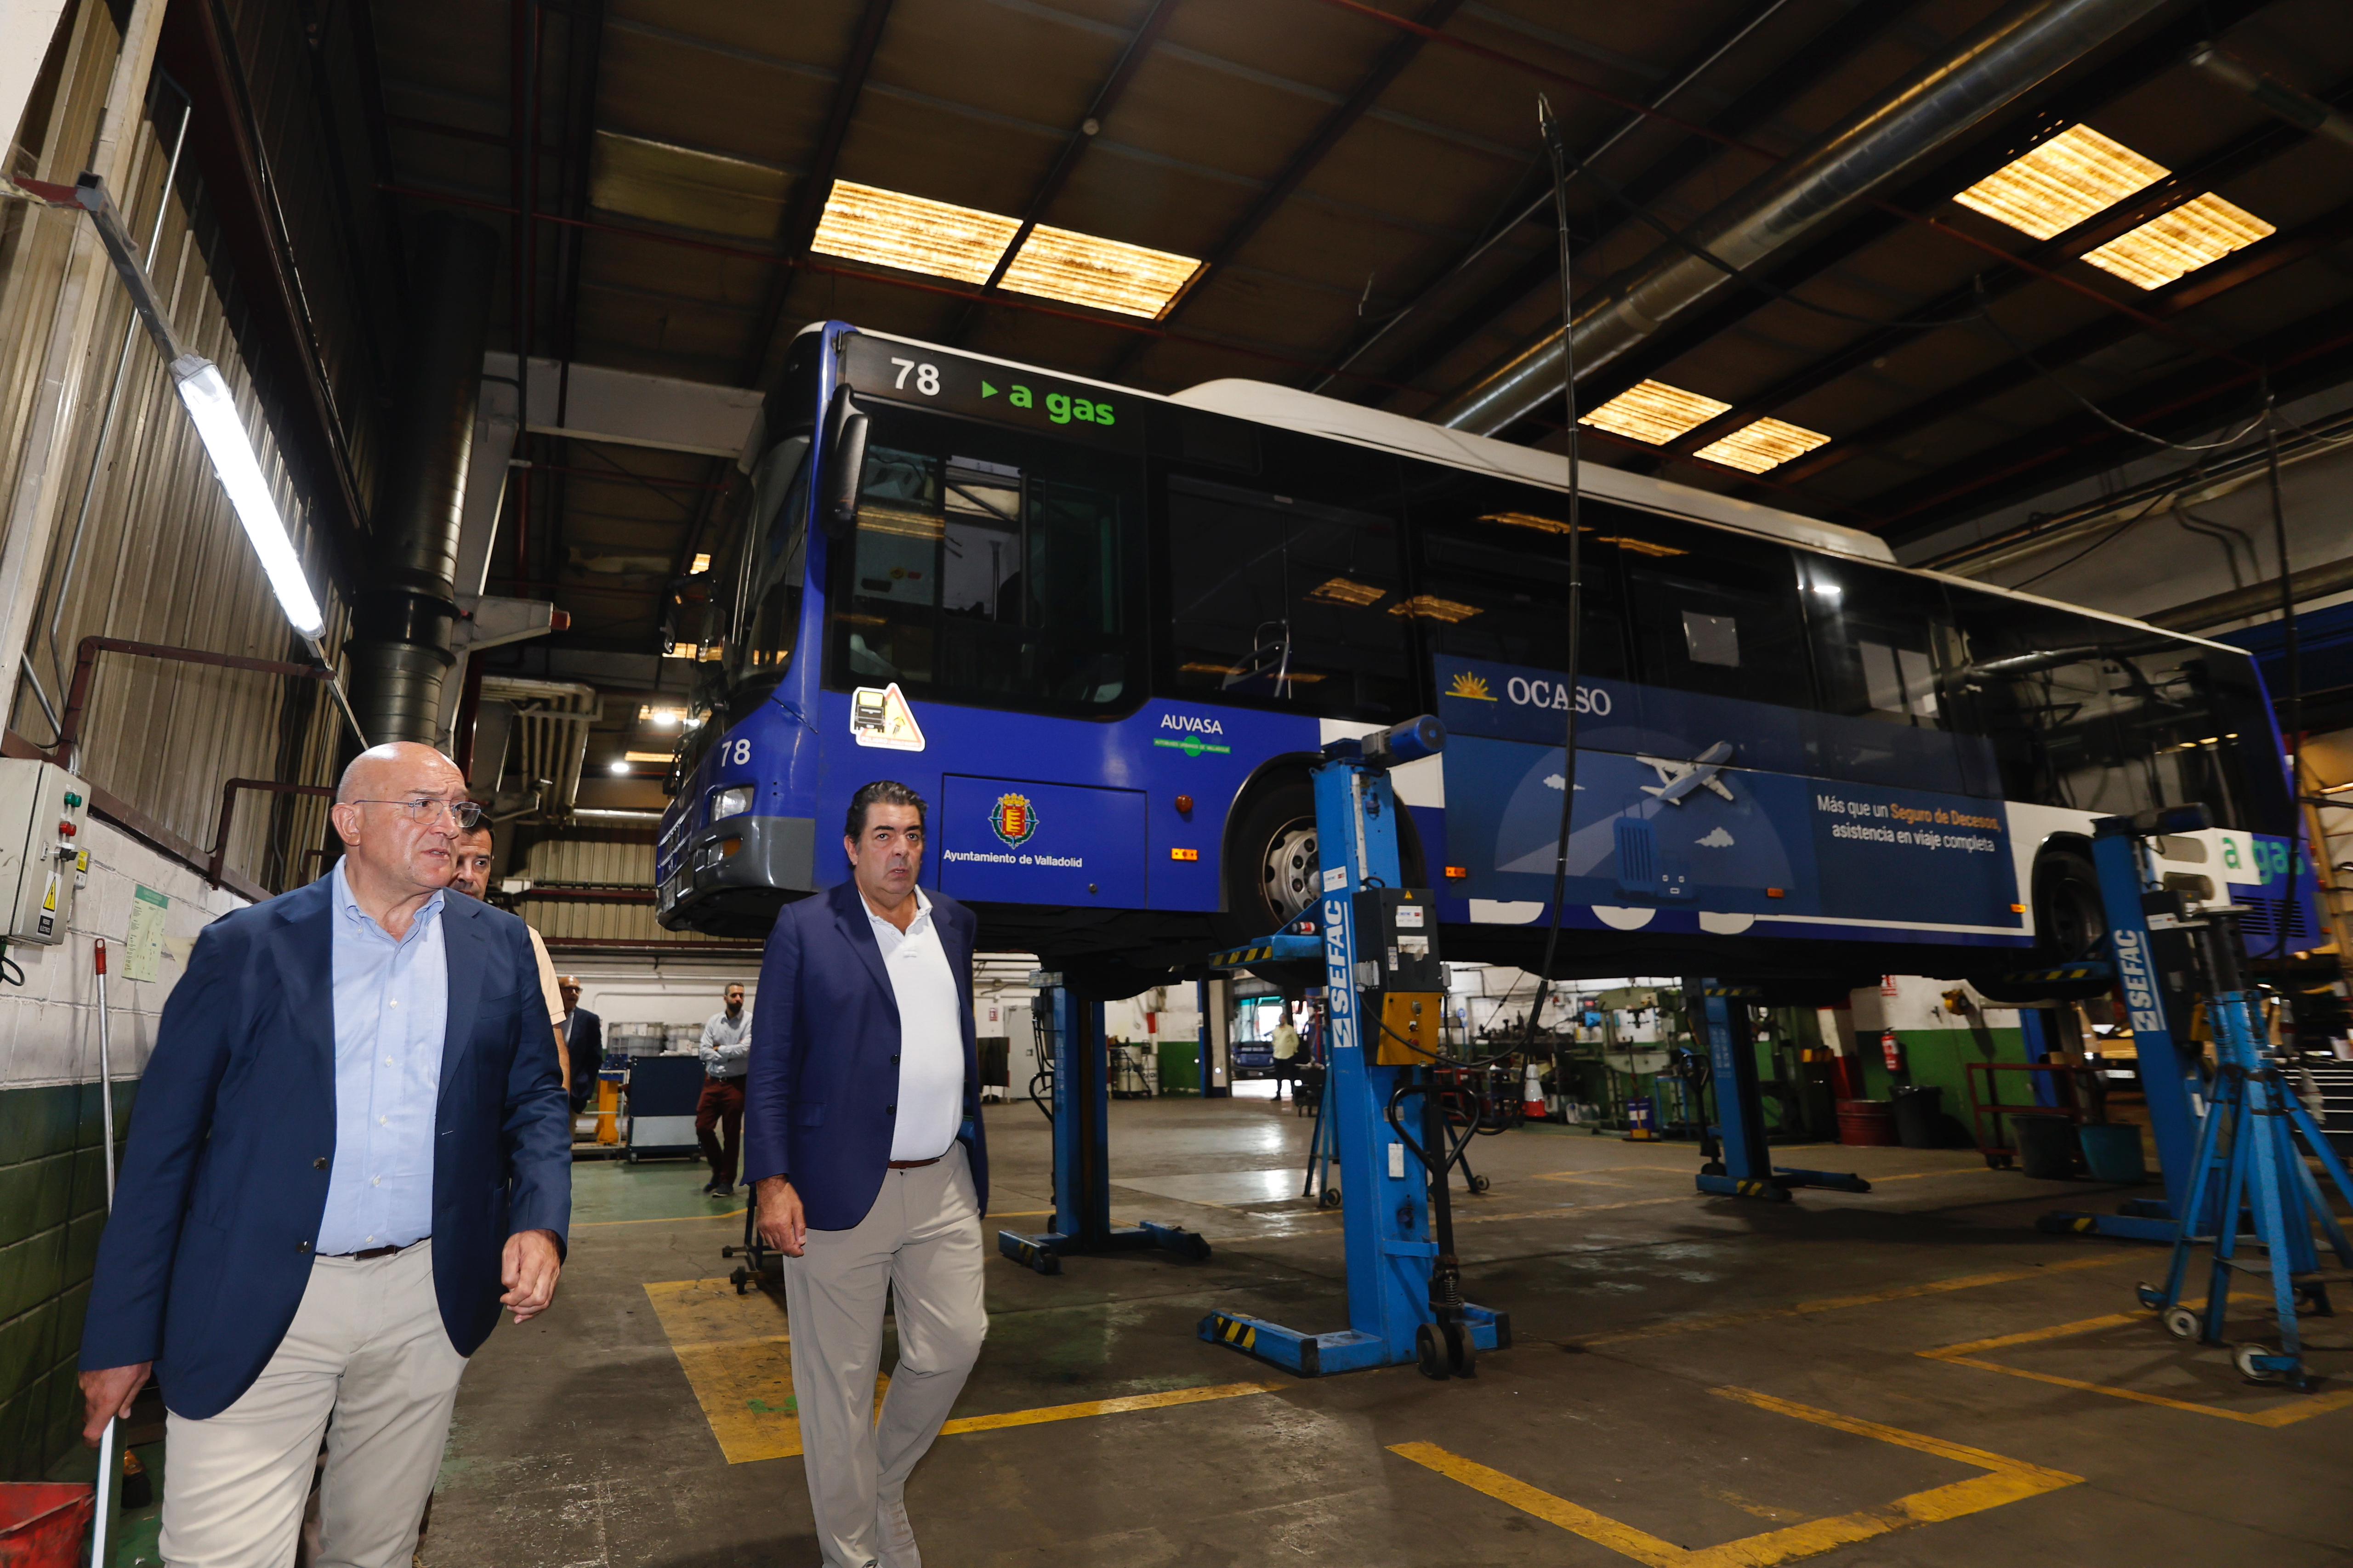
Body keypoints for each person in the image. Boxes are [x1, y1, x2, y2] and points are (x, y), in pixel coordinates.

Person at [77, 743, 570, 1568]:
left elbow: (536, 1100)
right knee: (221, 1555)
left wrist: (541, 1221)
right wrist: (121, 1333)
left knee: (376, 1550)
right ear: (351, 822)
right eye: (422, 805)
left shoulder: (501, 947)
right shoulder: (246, 948)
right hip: (259, 1294)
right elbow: (162, 1150)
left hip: (425, 1297)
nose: (449, 827)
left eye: (459, 809)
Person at [745, 781, 987, 1568]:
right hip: (837, 1186)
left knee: (954, 1344)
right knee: (838, 1390)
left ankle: (879, 1489)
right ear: (852, 848)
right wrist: (772, 1180)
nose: (901, 850)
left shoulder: (953, 923)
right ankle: (853, 1556)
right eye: (883, 835)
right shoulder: (806, 928)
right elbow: (771, 1063)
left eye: (913, 834)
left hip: (943, 1178)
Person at [451, 822, 570, 1097]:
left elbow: (551, 1048)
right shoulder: (405, 937)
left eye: (481, 863)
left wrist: (555, 1120)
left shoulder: (521, 941)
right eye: (457, 860)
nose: (468, 876)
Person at [696, 983, 751, 1196]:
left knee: (731, 1133)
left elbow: (745, 1050)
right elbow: (703, 1052)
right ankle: (718, 1170)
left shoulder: (749, 1021)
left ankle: (727, 1181)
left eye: (742, 995)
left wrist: (719, 1049)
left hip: (736, 1084)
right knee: (703, 1127)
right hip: (712, 1082)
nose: (739, 999)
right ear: (725, 998)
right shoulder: (714, 1021)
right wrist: (728, 1054)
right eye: (734, 995)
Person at [557, 975, 604, 1117]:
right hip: (545, 1091)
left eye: (577, 990)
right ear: (557, 991)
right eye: (568, 989)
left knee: (568, 1130)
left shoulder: (589, 1021)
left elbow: (595, 1059)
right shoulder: (544, 1017)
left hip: (573, 1095)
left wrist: (584, 1091)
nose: (573, 993)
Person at [1270, 1009, 1302, 1102]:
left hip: (1288, 1055)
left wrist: (1293, 1050)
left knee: (1291, 1075)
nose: (1282, 1020)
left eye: (1283, 1018)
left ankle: (1294, 1093)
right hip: (1278, 1055)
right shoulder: (1276, 1030)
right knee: (1278, 1076)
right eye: (1281, 1018)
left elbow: (1296, 1041)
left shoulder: (1290, 1029)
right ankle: (1278, 1094)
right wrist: (1275, 1048)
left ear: (1286, 1019)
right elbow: (1274, 1041)